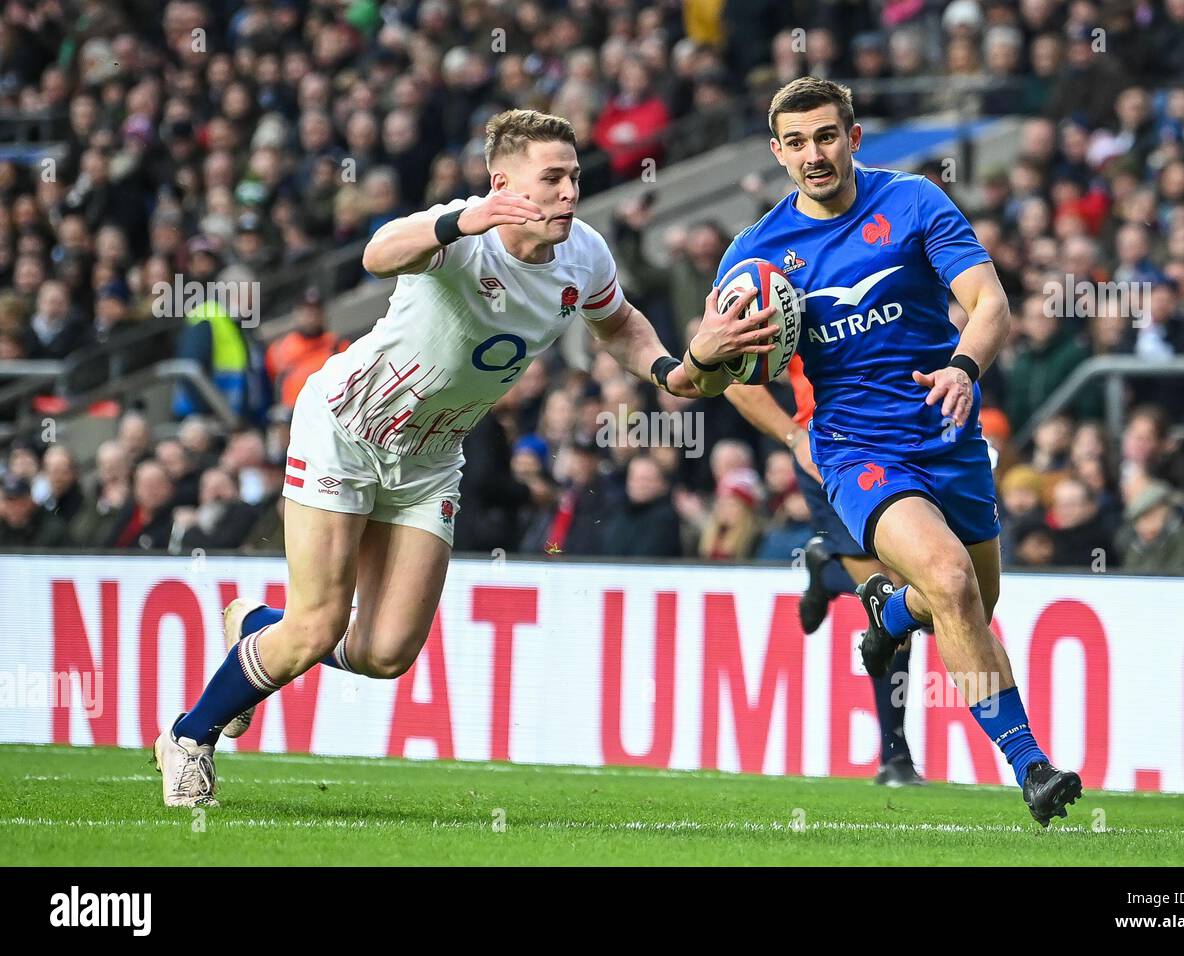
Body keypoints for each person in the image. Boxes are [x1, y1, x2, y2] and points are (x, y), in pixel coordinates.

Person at [153, 109, 775, 807]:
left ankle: (260, 632)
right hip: (346, 429)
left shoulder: (585, 252)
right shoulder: (463, 231)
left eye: (573, 175)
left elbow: (618, 321)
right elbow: (378, 252)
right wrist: (460, 222)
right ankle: (188, 737)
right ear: (503, 183)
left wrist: (668, 370)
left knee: (385, 653)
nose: (570, 191)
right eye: (553, 178)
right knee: (320, 623)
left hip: (431, 458)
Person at [715, 77, 1080, 825]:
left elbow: (989, 301)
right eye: (797, 142)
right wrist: (785, 428)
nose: (814, 154)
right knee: (950, 581)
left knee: (973, 600)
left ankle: (884, 616)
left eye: (826, 136)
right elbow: (721, 369)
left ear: (853, 137)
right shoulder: (756, 256)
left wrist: (963, 368)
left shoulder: (914, 202)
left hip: (949, 435)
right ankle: (1032, 767)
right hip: (855, 451)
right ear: (777, 153)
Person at [726, 352, 923, 786]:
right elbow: (730, 376)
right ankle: (895, 755)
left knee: (912, 595)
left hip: (899, 449)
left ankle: (826, 569)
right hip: (833, 458)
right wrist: (794, 439)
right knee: (889, 596)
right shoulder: (796, 290)